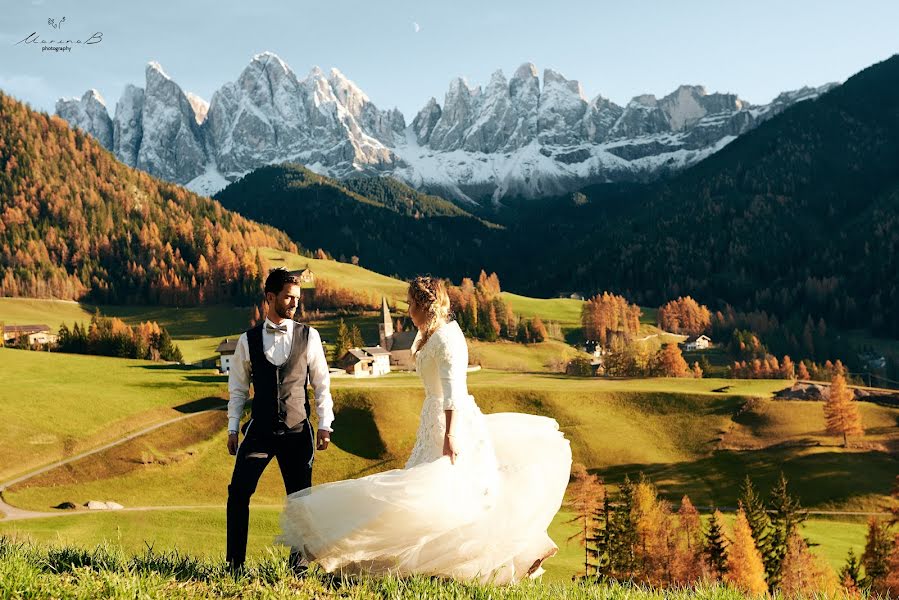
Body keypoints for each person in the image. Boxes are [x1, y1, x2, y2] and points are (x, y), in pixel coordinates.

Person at [277, 276, 571, 583]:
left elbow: (454, 391)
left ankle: (514, 554)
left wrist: (451, 436)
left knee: (430, 494)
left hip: (449, 425)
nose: (408, 311)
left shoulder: (446, 339)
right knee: (427, 496)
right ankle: (416, 561)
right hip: (434, 421)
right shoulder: (431, 336)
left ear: (425, 306)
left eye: (411, 305)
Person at [226, 267, 334, 573]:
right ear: (270, 297)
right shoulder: (247, 341)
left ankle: (297, 569)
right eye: (288, 297)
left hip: (298, 431)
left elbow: (322, 383)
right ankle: (234, 565)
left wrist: (325, 423)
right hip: (259, 431)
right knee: (238, 493)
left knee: (300, 502)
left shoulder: (309, 336)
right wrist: (233, 427)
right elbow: (237, 389)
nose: (294, 303)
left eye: (297, 298)